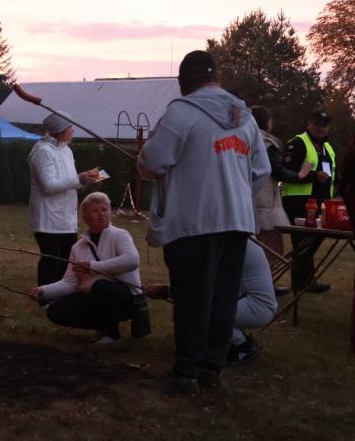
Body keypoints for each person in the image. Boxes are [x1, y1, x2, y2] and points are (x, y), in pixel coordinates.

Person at [138, 50, 270, 394]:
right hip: (237, 222)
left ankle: (186, 373)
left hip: (193, 223)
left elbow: (151, 161)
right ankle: (212, 367)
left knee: (191, 297)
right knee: (223, 297)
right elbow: (262, 171)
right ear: (216, 78)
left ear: (184, 82)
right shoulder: (245, 118)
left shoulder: (181, 114)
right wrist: (236, 194)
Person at [30, 192, 141, 344]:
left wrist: (91, 267)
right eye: (95, 211)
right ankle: (102, 325)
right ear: (85, 218)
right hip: (96, 297)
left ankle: (112, 335)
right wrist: (43, 291)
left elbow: (132, 260)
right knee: (55, 311)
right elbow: (69, 282)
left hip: (125, 298)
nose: (101, 214)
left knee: (100, 287)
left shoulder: (120, 235)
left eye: (105, 209)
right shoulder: (77, 248)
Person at [145, 240, 277, 366]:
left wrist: (165, 291)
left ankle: (242, 345)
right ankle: (224, 339)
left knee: (199, 310)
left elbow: (203, 286)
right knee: (200, 305)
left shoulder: (229, 244)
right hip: (249, 300)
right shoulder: (236, 239)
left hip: (257, 306)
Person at [29, 112, 101, 287]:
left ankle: (61, 294)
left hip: (66, 217)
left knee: (67, 259)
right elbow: (49, 185)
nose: (73, 130)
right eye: (70, 127)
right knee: (51, 260)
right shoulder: (42, 151)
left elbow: (69, 181)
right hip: (48, 218)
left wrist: (87, 179)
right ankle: (45, 296)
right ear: (60, 130)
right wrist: (79, 178)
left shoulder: (67, 150)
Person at [250, 105, 313, 295]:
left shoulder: (247, 139)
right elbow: (278, 171)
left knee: (255, 244)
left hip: (249, 197)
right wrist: (300, 175)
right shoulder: (267, 143)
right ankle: (265, 285)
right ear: (267, 122)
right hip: (265, 200)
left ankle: (258, 284)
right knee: (271, 244)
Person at [281, 109, 337, 293]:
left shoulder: (328, 148)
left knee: (312, 241)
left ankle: (307, 280)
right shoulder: (297, 143)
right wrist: (313, 176)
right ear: (309, 124)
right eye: (318, 124)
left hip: (321, 202)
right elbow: (286, 171)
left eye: (325, 125)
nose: (321, 128)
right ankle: (301, 282)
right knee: (302, 243)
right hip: (298, 201)